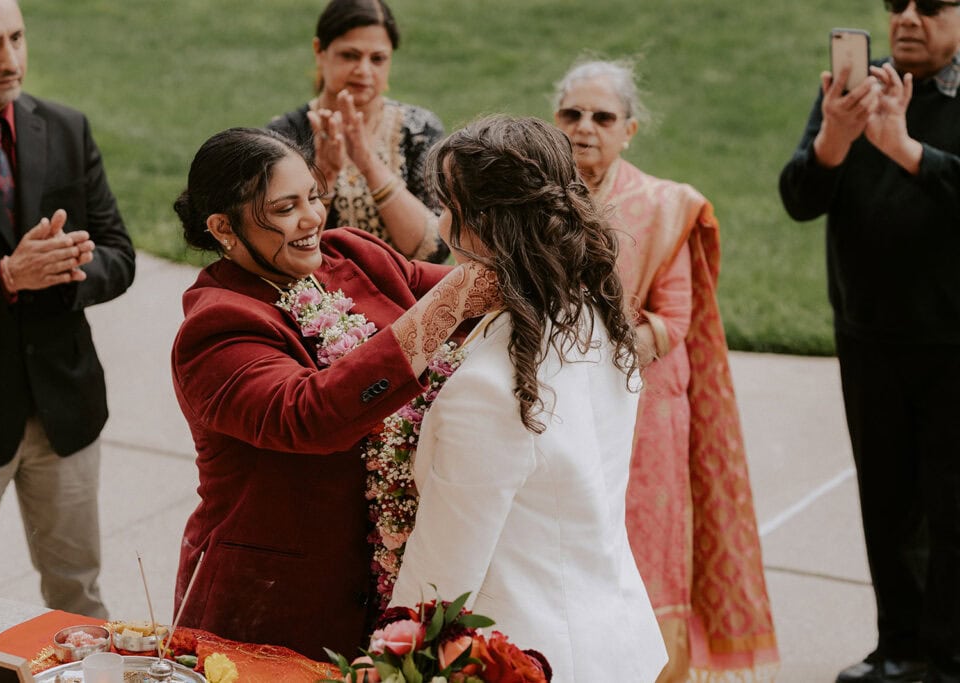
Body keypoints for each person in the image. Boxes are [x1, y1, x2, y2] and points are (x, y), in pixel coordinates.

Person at [170, 126, 495, 660]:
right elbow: (309, 415)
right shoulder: (215, 328)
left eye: (314, 198)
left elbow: (473, 295)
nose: (311, 219)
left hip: (390, 585)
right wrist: (447, 306)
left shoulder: (353, 255)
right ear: (222, 227)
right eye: (284, 209)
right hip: (272, 607)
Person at [388, 115, 667, 682]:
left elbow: (442, 578)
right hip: (615, 643)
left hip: (524, 659)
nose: (439, 221)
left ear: (483, 226)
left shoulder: (488, 389)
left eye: (447, 205)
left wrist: (390, 661)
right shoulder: (598, 323)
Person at [553, 59, 779, 682]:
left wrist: (595, 354)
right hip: (554, 404)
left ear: (629, 130)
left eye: (603, 117)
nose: (585, 128)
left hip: (643, 404)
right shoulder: (537, 205)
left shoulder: (663, 205)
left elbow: (673, 317)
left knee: (643, 548)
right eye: (572, 114)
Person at [0, 0, 135, 619]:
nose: (12, 59)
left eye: (17, 38)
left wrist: (68, 273)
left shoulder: (66, 128)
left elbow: (119, 254)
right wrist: (2, 278)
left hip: (64, 412)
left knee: (79, 595)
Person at [779, 3, 960, 681]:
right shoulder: (854, 92)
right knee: (887, 503)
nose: (909, 16)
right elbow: (800, 197)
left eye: (932, 2)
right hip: (869, 335)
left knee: (952, 508)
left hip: (953, 340)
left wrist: (906, 151)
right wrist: (834, 138)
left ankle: (948, 657)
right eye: (896, 3)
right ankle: (898, 649)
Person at [267, 0, 447, 263]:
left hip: (410, 297)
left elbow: (433, 250)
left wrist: (368, 163)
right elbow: (278, 248)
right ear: (320, 51)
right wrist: (324, 179)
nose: (364, 71)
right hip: (314, 298)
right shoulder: (284, 136)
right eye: (349, 55)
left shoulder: (420, 129)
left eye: (377, 59)